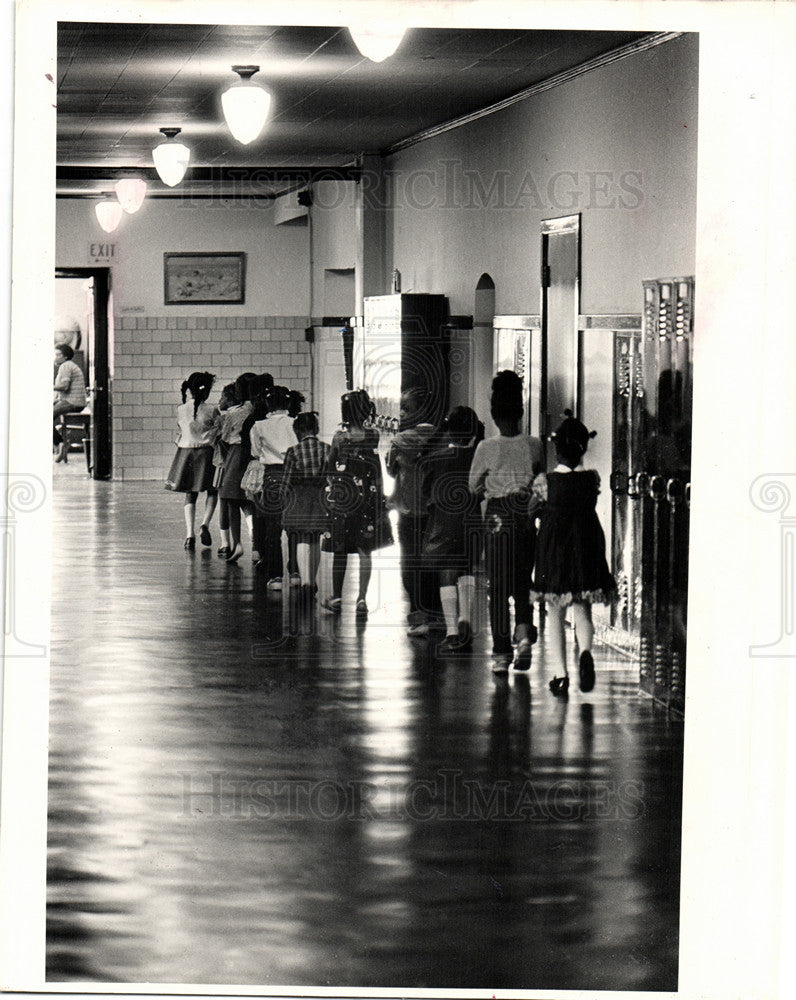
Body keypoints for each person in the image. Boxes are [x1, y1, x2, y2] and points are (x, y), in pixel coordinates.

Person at [531, 411, 616, 696]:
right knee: (583, 609)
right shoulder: (591, 479)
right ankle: (586, 652)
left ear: (555, 450)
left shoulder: (545, 482)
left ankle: (560, 674)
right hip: (587, 547)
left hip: (555, 553)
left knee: (555, 613)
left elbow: (532, 509)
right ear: (584, 449)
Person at [468, 371, 543, 674]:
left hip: (497, 516)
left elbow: (473, 486)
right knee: (523, 582)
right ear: (520, 410)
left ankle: (501, 654)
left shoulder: (486, 447)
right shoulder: (534, 445)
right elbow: (540, 478)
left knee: (497, 586)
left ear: (494, 412)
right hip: (525, 514)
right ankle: (523, 634)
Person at [321, 389, 393, 615]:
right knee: (365, 549)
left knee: (340, 549)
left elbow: (329, 466)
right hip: (369, 498)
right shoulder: (373, 435)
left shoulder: (339, 437)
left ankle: (337, 596)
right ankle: (362, 598)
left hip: (344, 498)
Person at [421, 406, 484, 654]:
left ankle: (452, 631)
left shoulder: (437, 458)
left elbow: (426, 491)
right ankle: (465, 617)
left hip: (444, 520)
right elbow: (481, 488)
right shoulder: (477, 456)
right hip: (472, 519)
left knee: (447, 570)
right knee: (467, 567)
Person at [386, 387, 439, 635]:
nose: (402, 412)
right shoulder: (440, 437)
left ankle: (418, 614)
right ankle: (434, 612)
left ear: (420, 410)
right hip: (433, 511)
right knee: (432, 563)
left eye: (407, 407)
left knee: (409, 563)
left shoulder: (400, 441)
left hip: (408, 510)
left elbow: (391, 470)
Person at [246, 383, 298, 588]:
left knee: (272, 528)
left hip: (272, 476)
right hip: (294, 475)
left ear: (267, 404)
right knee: (294, 526)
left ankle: (275, 575)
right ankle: (295, 571)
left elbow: (255, 452)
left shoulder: (258, 426)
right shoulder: (296, 423)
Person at [164, 371, 219, 549]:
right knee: (212, 490)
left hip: (186, 453)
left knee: (190, 493)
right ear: (207, 391)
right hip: (206, 453)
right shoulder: (212, 410)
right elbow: (219, 430)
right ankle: (205, 524)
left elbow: (181, 430)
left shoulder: (181, 409)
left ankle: (189, 535)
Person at [281, 411, 331, 601]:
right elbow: (331, 476)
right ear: (316, 429)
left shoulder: (293, 451)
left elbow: (286, 482)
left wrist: (283, 499)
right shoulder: (326, 449)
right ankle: (313, 579)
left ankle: (306, 582)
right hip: (319, 497)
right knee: (315, 539)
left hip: (299, 497)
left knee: (302, 537)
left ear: (297, 431)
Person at [215, 374, 255, 563]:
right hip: (252, 455)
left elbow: (223, 439)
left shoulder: (233, 414)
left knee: (230, 498)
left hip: (235, 453)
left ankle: (237, 543)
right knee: (248, 502)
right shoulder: (256, 409)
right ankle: (255, 542)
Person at [53, 344, 87, 463]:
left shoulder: (66, 366)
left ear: (65, 356)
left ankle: (61, 443)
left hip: (73, 402)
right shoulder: (68, 365)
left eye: (58, 355)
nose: (55, 358)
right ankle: (60, 444)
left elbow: (64, 386)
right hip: (73, 401)